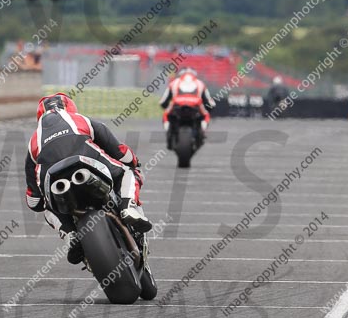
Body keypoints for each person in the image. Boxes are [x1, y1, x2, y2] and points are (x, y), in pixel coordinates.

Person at [24, 93, 152, 265]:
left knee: (49, 207)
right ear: (70, 107)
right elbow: (119, 150)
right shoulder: (82, 120)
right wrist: (134, 160)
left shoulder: (33, 141)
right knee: (129, 172)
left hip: (54, 179)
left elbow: (34, 202)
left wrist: (44, 201)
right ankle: (128, 207)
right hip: (86, 162)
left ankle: (70, 235)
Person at [159, 67, 215, 149]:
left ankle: (168, 132)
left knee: (166, 115)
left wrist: (165, 107)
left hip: (177, 103)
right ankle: (202, 132)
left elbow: (163, 101)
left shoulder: (174, 82)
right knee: (206, 115)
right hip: (195, 104)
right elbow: (209, 102)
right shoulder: (200, 83)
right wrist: (210, 108)